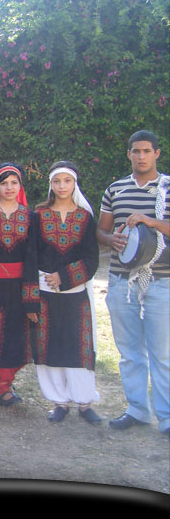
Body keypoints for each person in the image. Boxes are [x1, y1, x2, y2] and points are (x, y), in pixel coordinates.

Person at [98, 130, 169, 436]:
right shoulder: (115, 189)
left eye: (146, 151)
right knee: (129, 353)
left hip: (161, 281)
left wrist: (151, 221)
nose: (141, 156)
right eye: (135, 151)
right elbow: (100, 231)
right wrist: (109, 239)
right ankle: (138, 409)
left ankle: (167, 417)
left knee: (162, 355)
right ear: (128, 154)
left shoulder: (167, 188)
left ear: (157, 153)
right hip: (120, 281)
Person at [33, 161, 101, 424]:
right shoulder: (38, 215)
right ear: (50, 184)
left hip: (75, 293)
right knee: (49, 346)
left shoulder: (85, 217)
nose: (62, 186)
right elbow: (31, 255)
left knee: (78, 347)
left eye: (67, 181)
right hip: (44, 292)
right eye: (56, 181)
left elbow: (92, 258)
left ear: (75, 183)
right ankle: (59, 402)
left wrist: (64, 277)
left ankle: (84, 402)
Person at [0, 163, 40, 407]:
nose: (9, 187)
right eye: (4, 183)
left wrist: (31, 295)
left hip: (17, 286)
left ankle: (7, 382)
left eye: (14, 183)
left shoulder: (29, 216)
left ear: (20, 185)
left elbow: (32, 256)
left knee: (16, 334)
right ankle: (1, 386)